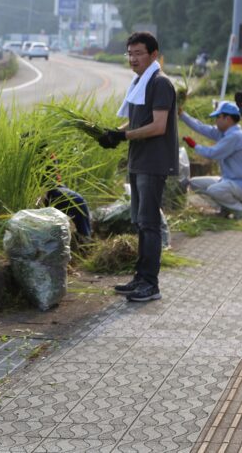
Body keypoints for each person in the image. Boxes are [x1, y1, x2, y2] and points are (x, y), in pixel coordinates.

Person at [97, 31, 178, 302]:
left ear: (154, 55)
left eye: (138, 53)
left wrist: (123, 136)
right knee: (141, 224)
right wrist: (114, 134)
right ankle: (140, 278)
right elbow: (137, 121)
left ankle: (150, 284)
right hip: (139, 160)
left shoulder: (160, 83)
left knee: (150, 224)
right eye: (130, 53)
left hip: (153, 163)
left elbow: (158, 126)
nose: (133, 59)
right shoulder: (140, 82)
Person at [180, 102, 242, 219]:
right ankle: (225, 208)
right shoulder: (224, 133)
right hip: (228, 181)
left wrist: (195, 146)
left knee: (214, 190)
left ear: (228, 118)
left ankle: (239, 209)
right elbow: (201, 127)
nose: (216, 121)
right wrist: (182, 114)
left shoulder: (235, 136)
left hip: (241, 185)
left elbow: (213, 154)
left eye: (218, 117)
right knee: (194, 183)